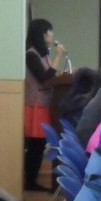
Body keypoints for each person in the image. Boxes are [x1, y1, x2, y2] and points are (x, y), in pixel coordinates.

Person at [23, 18, 67, 191]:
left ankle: (32, 182)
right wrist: (57, 56)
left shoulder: (42, 53)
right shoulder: (31, 55)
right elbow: (45, 78)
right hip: (36, 104)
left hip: (44, 102)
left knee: (39, 144)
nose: (52, 34)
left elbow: (49, 75)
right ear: (41, 34)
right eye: (49, 31)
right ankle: (30, 182)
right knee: (36, 144)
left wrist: (60, 74)